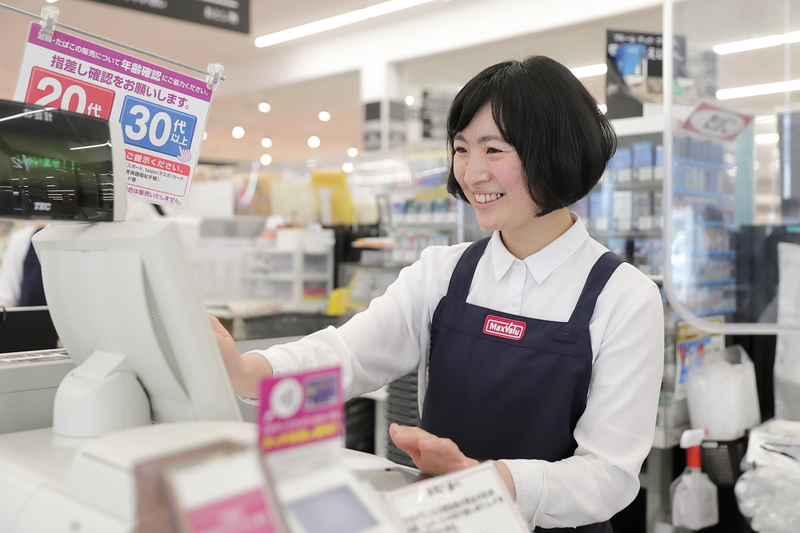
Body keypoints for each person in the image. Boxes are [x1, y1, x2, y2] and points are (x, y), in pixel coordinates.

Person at [212, 55, 664, 531]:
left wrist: (493, 482)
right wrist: (245, 371)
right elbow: (349, 356)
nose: (470, 174)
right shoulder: (442, 273)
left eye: (494, 150)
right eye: (461, 148)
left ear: (556, 151)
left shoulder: (624, 297)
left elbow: (608, 474)